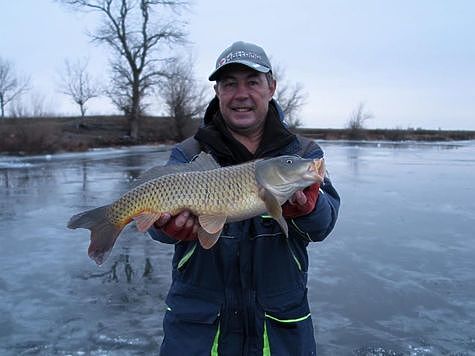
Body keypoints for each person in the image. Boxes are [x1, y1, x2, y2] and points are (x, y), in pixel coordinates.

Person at [149, 41, 340, 355]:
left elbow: (323, 225)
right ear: (218, 92)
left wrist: (309, 208)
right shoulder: (188, 153)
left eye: (252, 82)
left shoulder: (303, 154)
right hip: (197, 330)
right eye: (229, 84)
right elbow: (158, 226)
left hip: (280, 328)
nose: (241, 94)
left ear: (271, 87)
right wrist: (165, 228)